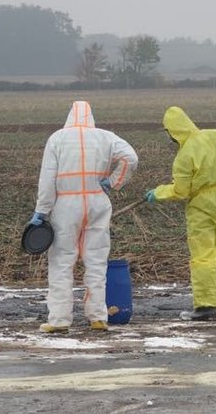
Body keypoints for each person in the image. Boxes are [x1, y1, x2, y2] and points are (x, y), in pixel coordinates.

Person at [29, 100, 138, 333]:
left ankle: (59, 320)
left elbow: (47, 178)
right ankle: (98, 317)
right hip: (97, 201)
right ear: (91, 117)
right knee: (96, 262)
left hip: (66, 204)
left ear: (70, 116)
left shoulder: (57, 138)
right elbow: (131, 158)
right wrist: (113, 182)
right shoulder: (106, 137)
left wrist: (42, 210)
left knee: (61, 262)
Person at [146, 105, 216, 321]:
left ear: (173, 131)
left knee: (202, 256)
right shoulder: (214, 135)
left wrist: (158, 193)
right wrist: (215, 168)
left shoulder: (184, 156)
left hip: (202, 206)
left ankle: (205, 306)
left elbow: (180, 191)